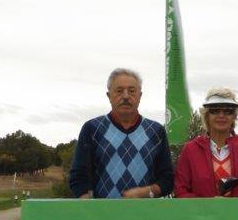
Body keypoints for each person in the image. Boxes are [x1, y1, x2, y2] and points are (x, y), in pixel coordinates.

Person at [69, 68, 173, 199]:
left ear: (140, 96)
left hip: (146, 215)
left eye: (131, 91)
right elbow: (79, 177)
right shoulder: (92, 129)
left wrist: (147, 192)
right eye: (119, 91)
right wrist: (89, 208)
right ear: (109, 96)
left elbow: (167, 179)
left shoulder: (156, 131)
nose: (125, 96)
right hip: (102, 216)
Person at [175, 88, 238, 198]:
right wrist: (210, 207)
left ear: (234, 116)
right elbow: (181, 191)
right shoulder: (190, 150)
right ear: (207, 115)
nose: (221, 115)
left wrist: (237, 204)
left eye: (228, 111)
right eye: (215, 110)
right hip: (202, 215)